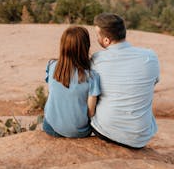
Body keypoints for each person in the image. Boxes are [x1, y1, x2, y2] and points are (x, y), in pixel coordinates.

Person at [90, 13, 160, 149]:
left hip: (105, 131)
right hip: (139, 138)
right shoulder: (150, 57)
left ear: (106, 41)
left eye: (97, 35)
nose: (96, 38)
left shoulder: (97, 60)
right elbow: (153, 82)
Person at [43, 26, 101, 138]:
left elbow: (53, 93)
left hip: (50, 127)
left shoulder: (51, 65)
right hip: (78, 132)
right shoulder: (91, 76)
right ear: (86, 47)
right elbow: (91, 112)